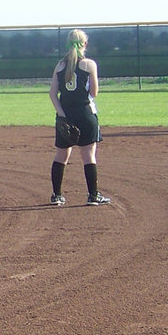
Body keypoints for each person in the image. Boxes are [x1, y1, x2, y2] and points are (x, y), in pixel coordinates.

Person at [48, 28, 110, 207]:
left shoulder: (60, 66)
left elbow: (53, 94)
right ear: (85, 44)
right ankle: (93, 195)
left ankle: (57, 196)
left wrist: (62, 115)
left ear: (67, 43)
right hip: (85, 114)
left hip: (65, 115)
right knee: (88, 155)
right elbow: (94, 93)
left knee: (61, 155)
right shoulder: (89, 64)